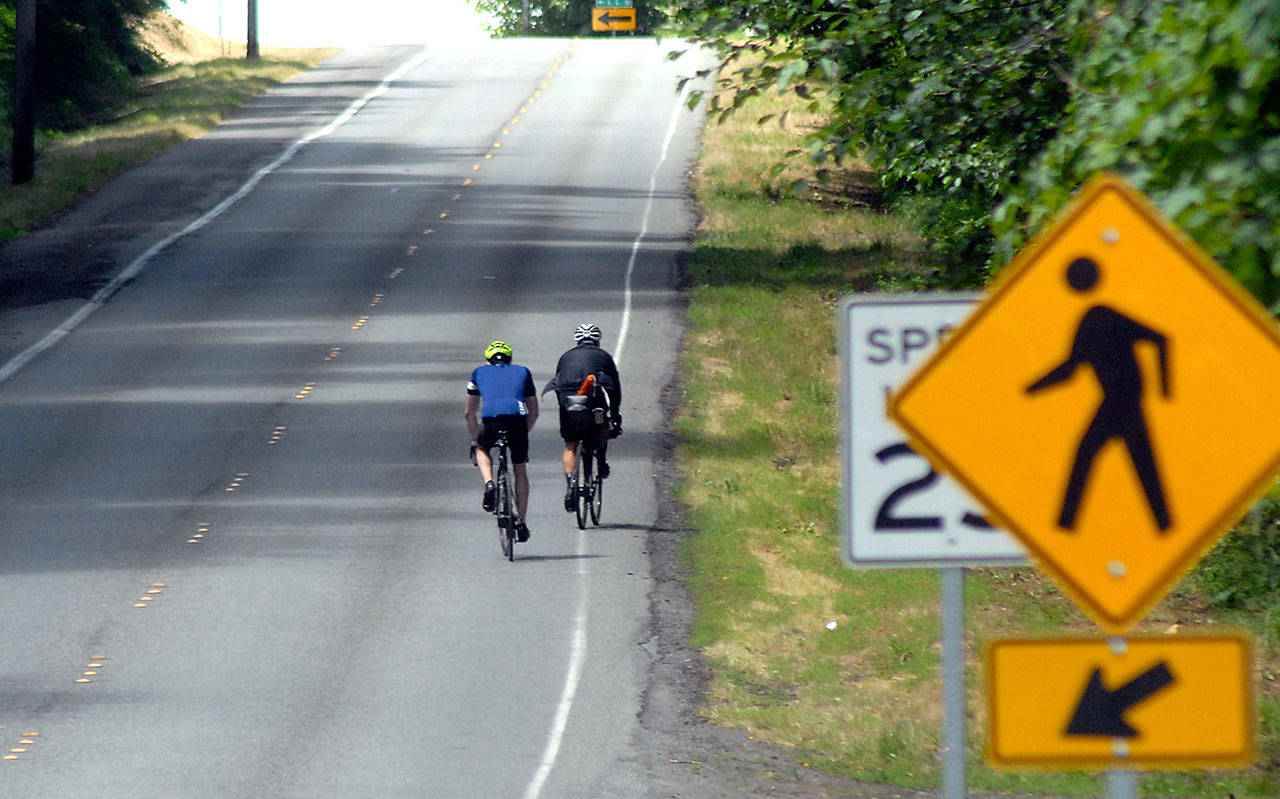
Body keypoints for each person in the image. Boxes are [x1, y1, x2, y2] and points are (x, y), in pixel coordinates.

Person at [544, 323, 622, 512]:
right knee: (602, 424)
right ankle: (601, 463)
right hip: (593, 402)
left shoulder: (565, 356)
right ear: (597, 340)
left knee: (570, 444)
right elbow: (613, 388)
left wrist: (565, 409)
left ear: (577, 340)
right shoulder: (604, 356)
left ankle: (571, 484)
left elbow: (558, 384)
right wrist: (615, 414)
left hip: (568, 403)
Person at [466, 340, 538, 541]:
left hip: (491, 422)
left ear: (488, 361)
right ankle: (521, 522)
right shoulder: (523, 372)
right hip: (517, 423)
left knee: (482, 449)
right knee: (520, 469)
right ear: (511, 359)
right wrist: (525, 432)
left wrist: (475, 439)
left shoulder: (478, 372)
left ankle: (489, 483)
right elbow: (534, 411)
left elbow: (469, 412)